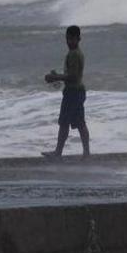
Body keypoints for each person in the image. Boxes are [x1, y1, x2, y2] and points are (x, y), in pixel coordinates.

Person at [43, 25, 90, 158]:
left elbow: (73, 76)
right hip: (77, 91)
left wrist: (55, 77)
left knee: (65, 123)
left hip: (73, 93)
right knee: (80, 123)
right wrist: (58, 76)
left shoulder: (74, 55)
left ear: (79, 39)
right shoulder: (76, 53)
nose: (69, 42)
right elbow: (72, 75)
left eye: (72, 39)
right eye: (68, 39)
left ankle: (58, 152)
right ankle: (86, 153)